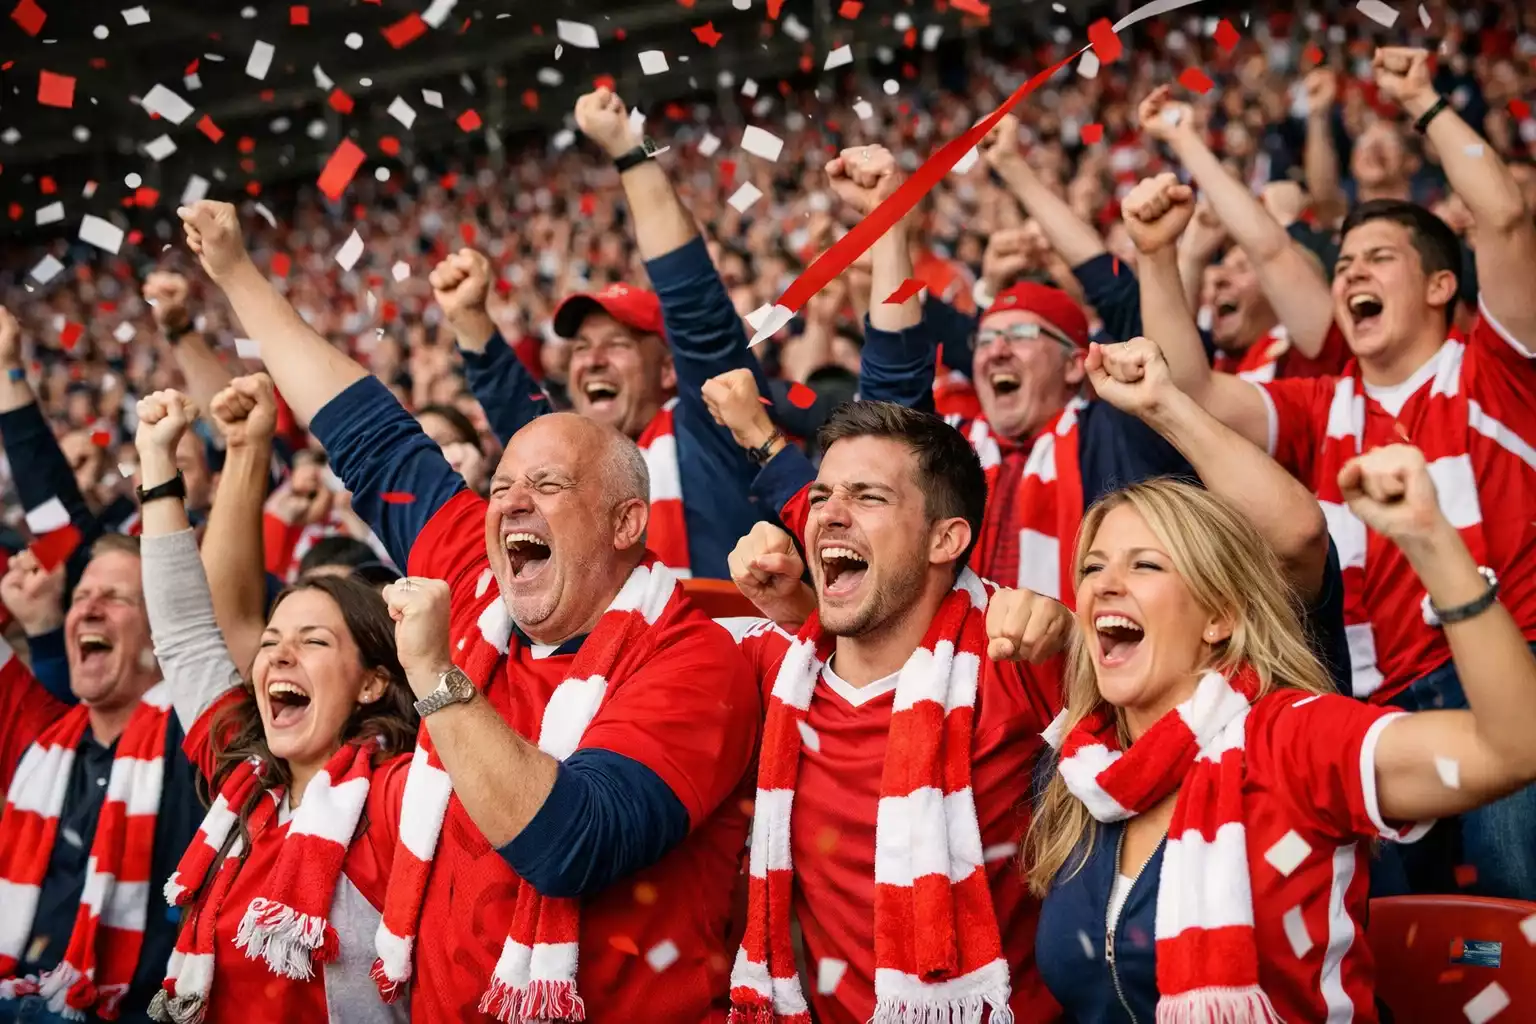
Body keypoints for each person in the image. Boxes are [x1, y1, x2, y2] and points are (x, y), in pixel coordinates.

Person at [177, 197, 762, 1022]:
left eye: (549, 486)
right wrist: (238, 272)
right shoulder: (478, 585)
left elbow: (570, 844)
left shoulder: (696, 662)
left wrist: (437, 679)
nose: (510, 504)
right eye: (501, 486)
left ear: (628, 523)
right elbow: (368, 434)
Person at [1132, 47, 1536, 898]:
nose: (1351, 270)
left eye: (1376, 258)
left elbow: (1501, 218)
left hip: (1511, 673)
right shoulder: (1322, 405)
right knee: (1399, 936)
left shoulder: (1496, 366)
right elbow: (1191, 385)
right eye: (1344, 260)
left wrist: (1423, 98)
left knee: (1515, 913)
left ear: (1437, 286)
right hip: (1382, 703)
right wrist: (1157, 258)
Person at [1030, 444, 1536, 1021]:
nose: (1105, 585)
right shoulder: (1079, 771)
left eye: (1145, 565)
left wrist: (1432, 543)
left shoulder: (1295, 739)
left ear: (1220, 615)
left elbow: (1513, 749)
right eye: (1093, 567)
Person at [723, 399, 1068, 1023]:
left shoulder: (1014, 658)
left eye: (868, 498)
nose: (827, 515)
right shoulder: (777, 668)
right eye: (822, 495)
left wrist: (1071, 635)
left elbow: (1185, 691)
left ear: (946, 538)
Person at [131, 389, 416, 1024]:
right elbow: (182, 636)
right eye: (270, 642)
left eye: (313, 641)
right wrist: (157, 463)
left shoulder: (403, 797)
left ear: (372, 683)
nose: (280, 657)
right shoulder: (244, 778)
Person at [429, 86, 779, 580]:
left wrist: (626, 151)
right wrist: (469, 318)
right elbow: (517, 414)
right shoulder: (571, 464)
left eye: (617, 345)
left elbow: (695, 303)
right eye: (580, 348)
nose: (592, 360)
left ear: (666, 370)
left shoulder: (714, 428)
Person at [0, 531, 201, 1022]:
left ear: (164, 633)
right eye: (83, 597)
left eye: (116, 598)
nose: (90, 609)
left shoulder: (201, 747)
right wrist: (42, 616)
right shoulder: (42, 741)